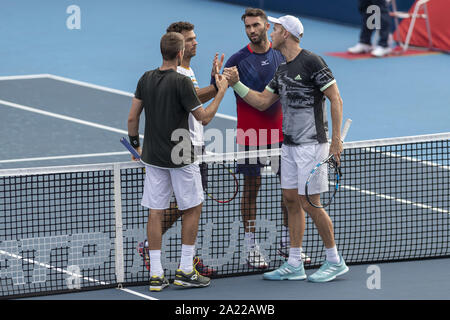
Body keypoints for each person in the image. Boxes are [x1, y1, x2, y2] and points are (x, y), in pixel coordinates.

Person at [224, 14, 349, 282]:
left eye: (277, 28)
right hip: (288, 146)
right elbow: (261, 102)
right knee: (292, 200)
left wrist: (336, 141)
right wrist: (236, 83)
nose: (273, 31)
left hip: (312, 144)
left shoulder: (312, 61)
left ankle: (334, 260)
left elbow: (335, 98)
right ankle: (294, 262)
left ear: (287, 34)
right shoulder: (282, 69)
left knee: (310, 203)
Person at [127, 32, 228, 291]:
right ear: (180, 53)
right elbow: (203, 118)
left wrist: (135, 145)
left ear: (162, 52)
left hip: (153, 157)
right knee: (192, 207)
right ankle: (185, 270)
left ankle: (157, 275)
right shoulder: (182, 82)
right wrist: (221, 92)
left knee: (155, 211)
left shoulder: (145, 79)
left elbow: (132, 118)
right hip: (182, 155)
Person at [215, 7, 310, 269]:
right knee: (251, 189)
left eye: (256, 25)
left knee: (289, 191)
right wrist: (220, 79)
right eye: (248, 27)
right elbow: (220, 90)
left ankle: (287, 243)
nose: (252, 31)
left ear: (268, 26)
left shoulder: (282, 56)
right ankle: (251, 246)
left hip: (283, 135)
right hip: (250, 136)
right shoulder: (235, 61)